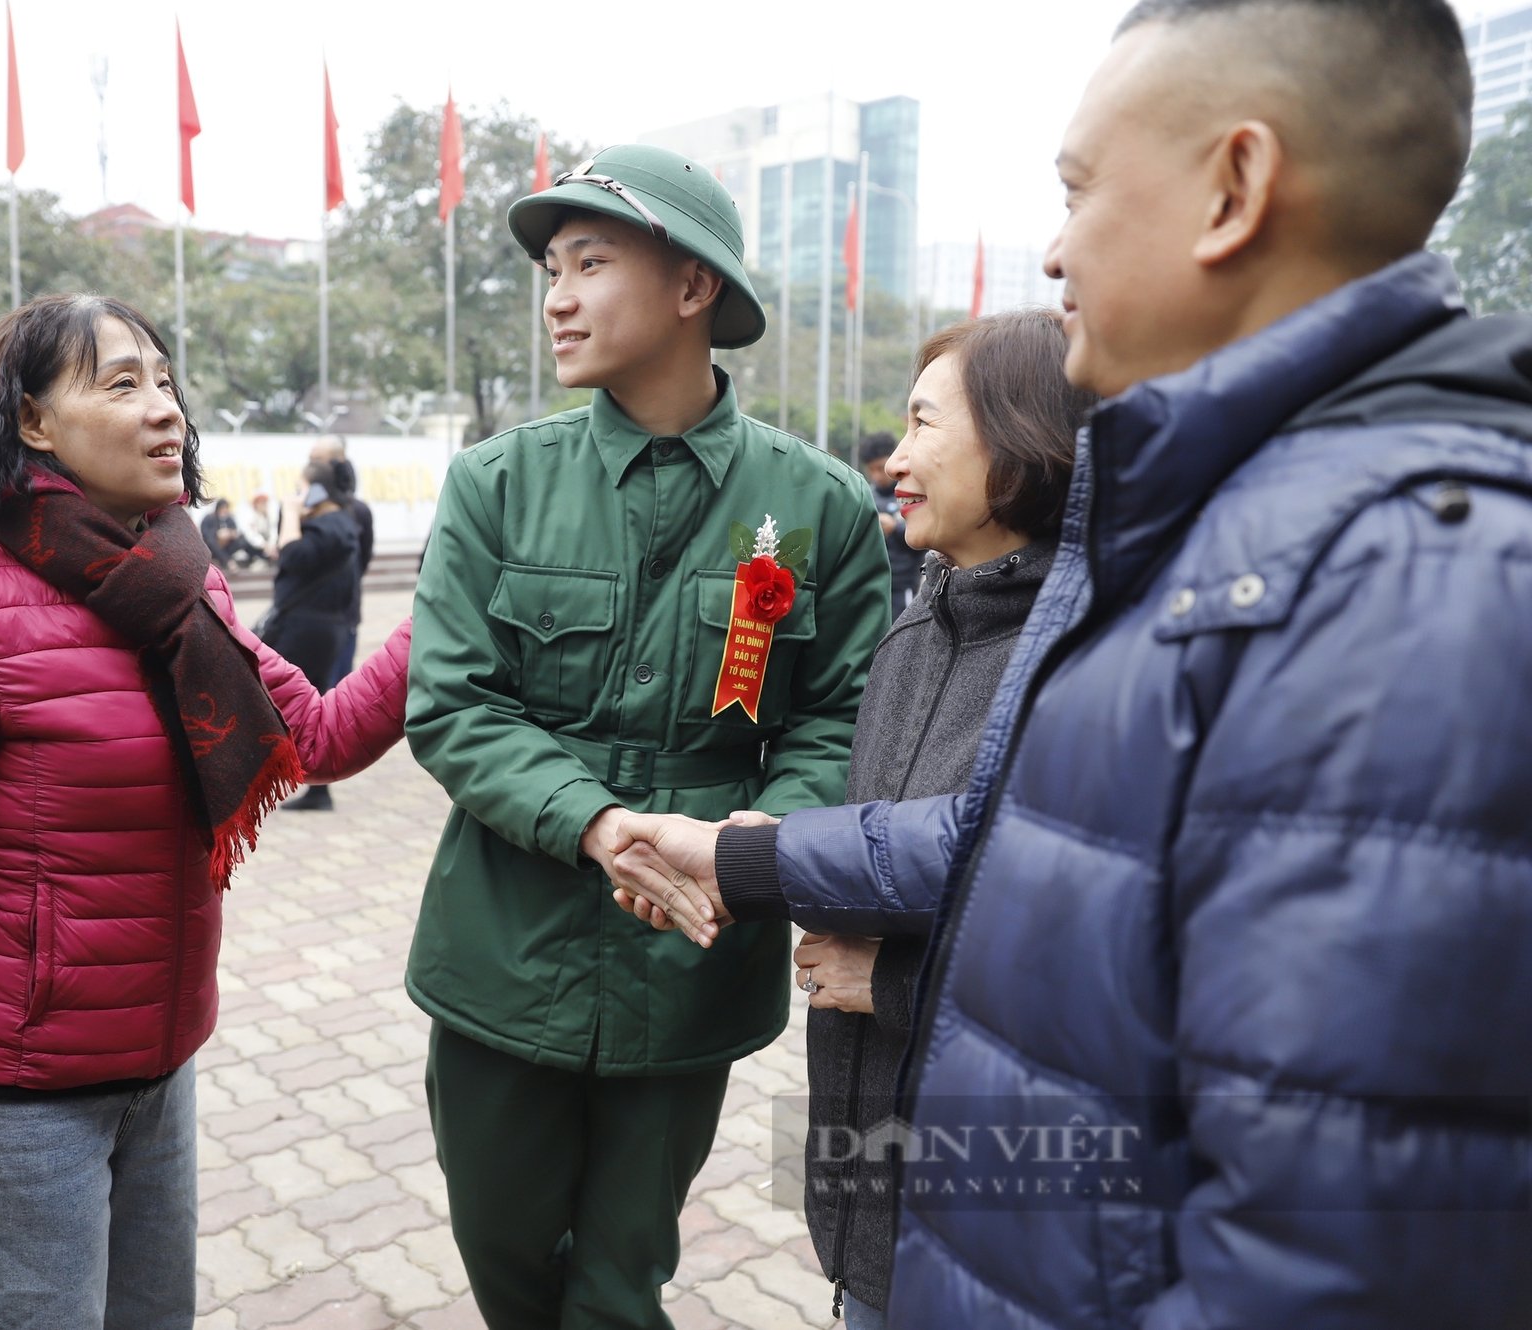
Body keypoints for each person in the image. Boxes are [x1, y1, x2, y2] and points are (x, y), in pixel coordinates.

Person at [610, 2, 1532, 1323]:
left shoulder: (1416, 582)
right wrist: (741, 858)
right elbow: (1003, 846)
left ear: (1237, 186)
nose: (1053, 248)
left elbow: (1333, 1261)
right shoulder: (1194, 526)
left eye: (1081, 189)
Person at [0, 294, 413, 1330]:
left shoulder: (185, 588)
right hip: (28, 1098)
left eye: (162, 380)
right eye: (119, 383)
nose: (164, 410)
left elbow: (318, 736)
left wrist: (449, 616)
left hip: (163, 1066)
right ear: (31, 422)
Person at [403, 143, 890, 1329]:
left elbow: (837, 709)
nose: (555, 296)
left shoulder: (816, 506)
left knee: (623, 1277)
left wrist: (757, 833)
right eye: (550, 270)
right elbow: (453, 702)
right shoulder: (496, 485)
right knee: (505, 1254)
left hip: (691, 955)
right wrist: (598, 823)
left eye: (589, 263)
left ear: (691, 290)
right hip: (503, 945)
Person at [618, 310, 1091, 1328]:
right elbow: (884, 840)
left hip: (1002, 1203)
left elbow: (1050, 924)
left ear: (1016, 439)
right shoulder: (917, 625)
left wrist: (891, 979)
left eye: (923, 424)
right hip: (866, 1167)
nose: (894, 458)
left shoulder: (1081, 657)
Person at [272, 451, 364, 812]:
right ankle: (317, 788)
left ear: (318, 491)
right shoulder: (341, 523)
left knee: (291, 707)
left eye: (303, 487)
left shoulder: (329, 526)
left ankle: (313, 786)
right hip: (324, 626)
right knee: (312, 706)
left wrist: (291, 514)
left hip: (307, 629)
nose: (297, 493)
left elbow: (291, 556)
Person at [309, 437, 375, 686]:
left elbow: (364, 559)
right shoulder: (297, 509)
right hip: (305, 617)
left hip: (343, 615)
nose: (312, 466)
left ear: (340, 462)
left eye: (319, 460)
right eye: (311, 460)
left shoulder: (359, 511)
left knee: (340, 687)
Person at [861, 431, 924, 606]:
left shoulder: (912, 494)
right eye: (871, 469)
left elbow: (926, 539)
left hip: (904, 586)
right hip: (874, 587)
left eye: (880, 468)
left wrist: (894, 527)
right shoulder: (866, 497)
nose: (877, 476)